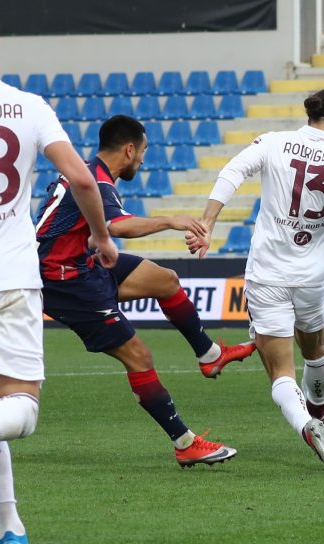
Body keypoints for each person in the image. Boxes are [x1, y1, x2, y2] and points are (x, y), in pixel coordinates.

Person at [0, 4, 118, 544]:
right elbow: (81, 177)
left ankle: (12, 534)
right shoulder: (28, 106)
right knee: (19, 408)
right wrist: (101, 237)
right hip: (6, 276)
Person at [35, 116, 248, 470]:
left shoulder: (88, 171)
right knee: (140, 357)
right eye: (143, 151)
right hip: (65, 281)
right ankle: (185, 442)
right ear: (129, 149)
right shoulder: (96, 181)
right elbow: (117, 226)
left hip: (84, 262)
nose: (144, 160)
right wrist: (170, 220)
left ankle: (209, 354)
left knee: (164, 280)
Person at [187, 88, 324, 473]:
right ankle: (319, 413)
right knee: (316, 349)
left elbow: (232, 171)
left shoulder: (273, 142)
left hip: (267, 274)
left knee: (280, 372)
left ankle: (306, 425)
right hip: (310, 279)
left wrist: (207, 221)